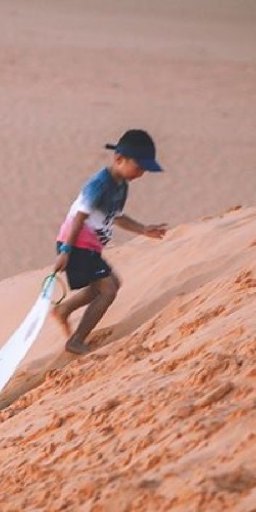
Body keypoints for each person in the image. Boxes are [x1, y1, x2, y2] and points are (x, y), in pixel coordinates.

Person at [52, 129, 168, 355]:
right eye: (139, 167)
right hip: (77, 244)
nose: (142, 173)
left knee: (110, 284)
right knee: (108, 290)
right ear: (119, 159)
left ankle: (63, 310)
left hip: (90, 245)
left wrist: (143, 229)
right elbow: (79, 218)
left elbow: (116, 216)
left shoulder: (121, 185)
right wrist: (65, 250)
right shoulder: (99, 185)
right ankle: (75, 341)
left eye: (145, 169)